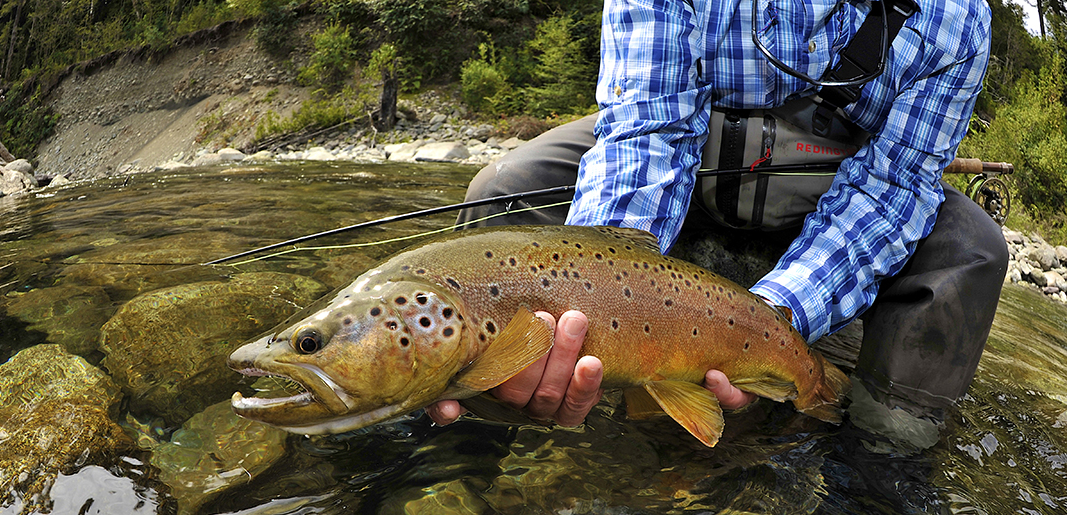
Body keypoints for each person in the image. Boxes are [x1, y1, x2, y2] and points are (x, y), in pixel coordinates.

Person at [428, 0, 1007, 445]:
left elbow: (887, 192)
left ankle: (881, 466)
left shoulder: (954, 17)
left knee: (971, 252)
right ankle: (468, 444)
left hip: (828, 181)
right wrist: (597, 304)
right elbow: (647, 134)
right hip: (689, 158)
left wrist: (772, 324)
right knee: (507, 188)